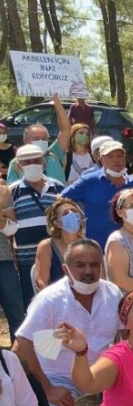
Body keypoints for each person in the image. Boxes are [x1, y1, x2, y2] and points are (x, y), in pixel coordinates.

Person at [14, 239, 122, 406]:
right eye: (80, 265)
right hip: (60, 378)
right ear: (66, 269)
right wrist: (47, 389)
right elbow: (21, 346)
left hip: (102, 373)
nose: (89, 271)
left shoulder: (113, 293)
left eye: (94, 264)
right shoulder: (49, 299)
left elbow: (125, 334)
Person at [5, 144, 66, 306]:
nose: (32, 164)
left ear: (44, 162)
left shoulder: (58, 188)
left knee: (61, 301)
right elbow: (10, 229)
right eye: (26, 162)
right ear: (19, 166)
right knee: (33, 304)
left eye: (36, 160)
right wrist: (13, 256)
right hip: (27, 258)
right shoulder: (13, 191)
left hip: (58, 256)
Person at [62, 140, 133, 249]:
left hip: (129, 248)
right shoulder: (89, 181)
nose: (116, 160)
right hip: (97, 250)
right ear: (101, 160)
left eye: (119, 156)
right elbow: (61, 199)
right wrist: (77, 216)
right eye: (110, 157)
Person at [7, 94, 71, 184]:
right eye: (36, 138)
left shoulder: (55, 153)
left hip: (58, 197)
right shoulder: (16, 162)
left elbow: (65, 129)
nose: (41, 141)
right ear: (26, 141)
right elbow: (12, 190)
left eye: (44, 138)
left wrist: (57, 103)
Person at [34, 197, 85, 292]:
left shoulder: (90, 245)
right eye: (65, 213)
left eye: (74, 211)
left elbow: (101, 279)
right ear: (57, 223)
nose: (72, 214)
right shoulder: (46, 246)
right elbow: (41, 282)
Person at [0, 182, 25, 341]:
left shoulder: (2, 191)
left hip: (4, 260)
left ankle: (20, 356)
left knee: (16, 311)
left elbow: (12, 228)